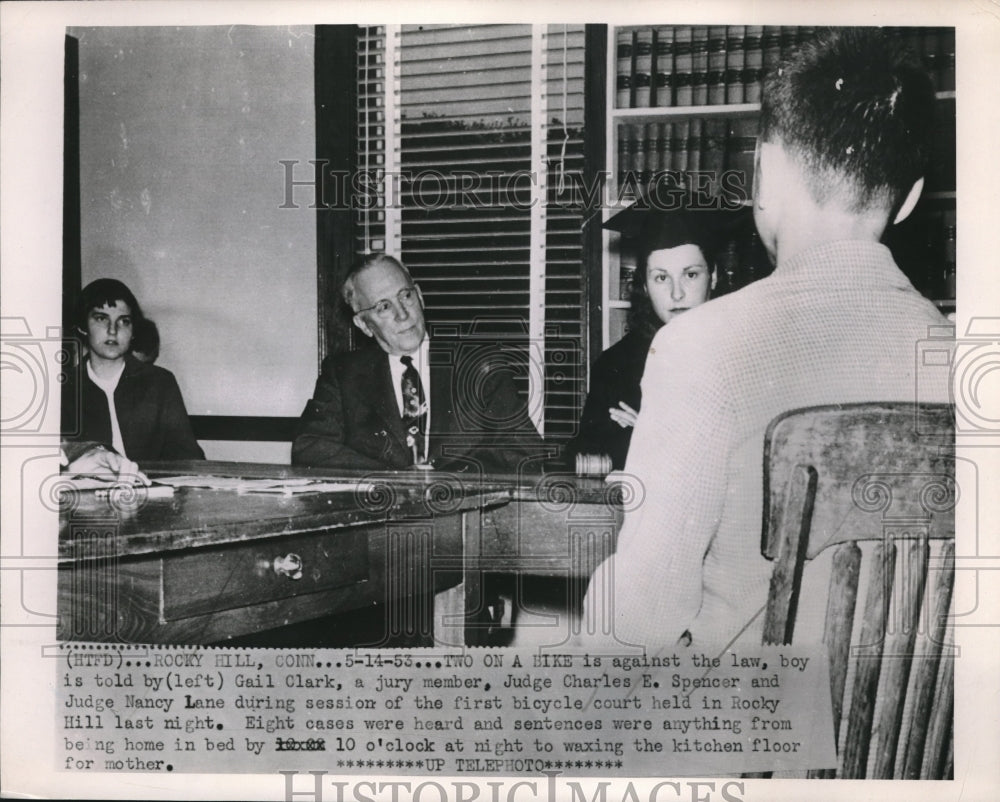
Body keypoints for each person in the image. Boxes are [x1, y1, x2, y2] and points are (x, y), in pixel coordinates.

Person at [582, 28, 951, 649]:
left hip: (746, 735)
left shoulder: (700, 349)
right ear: (912, 198)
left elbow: (634, 629)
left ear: (765, 170)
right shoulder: (966, 363)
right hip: (910, 742)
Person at [292, 254, 544, 474]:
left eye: (406, 295)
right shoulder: (343, 373)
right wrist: (396, 477)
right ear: (363, 324)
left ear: (420, 296)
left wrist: (440, 477)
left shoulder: (478, 365)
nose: (402, 314)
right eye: (384, 307)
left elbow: (523, 452)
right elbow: (310, 447)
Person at [567, 207, 736, 470]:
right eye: (661, 277)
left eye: (690, 274)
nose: (676, 293)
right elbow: (585, 457)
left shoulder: (743, 352)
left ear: (713, 277)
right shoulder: (616, 366)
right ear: (645, 286)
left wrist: (651, 435)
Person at [62, 278, 204, 462]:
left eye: (124, 321)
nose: (112, 331)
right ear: (83, 327)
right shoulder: (64, 388)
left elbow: (188, 457)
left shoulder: (160, 383)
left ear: (133, 331)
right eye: (101, 318)